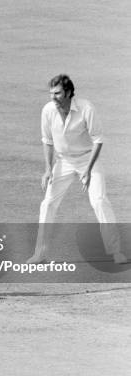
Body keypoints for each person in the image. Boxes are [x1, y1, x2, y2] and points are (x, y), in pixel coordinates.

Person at [27, 74, 127, 264]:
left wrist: (88, 170)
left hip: (88, 159)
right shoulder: (48, 110)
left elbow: (98, 140)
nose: (53, 97)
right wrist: (48, 169)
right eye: (51, 93)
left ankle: (116, 252)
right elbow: (47, 142)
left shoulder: (86, 108)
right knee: (47, 203)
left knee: (99, 200)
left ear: (69, 92)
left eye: (57, 93)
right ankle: (40, 254)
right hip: (63, 161)